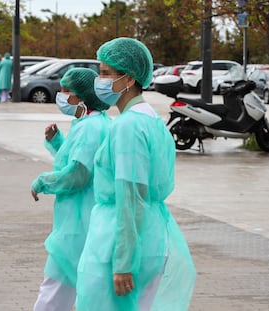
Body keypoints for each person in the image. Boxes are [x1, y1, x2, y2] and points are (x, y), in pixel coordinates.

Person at [76, 37, 196, 310]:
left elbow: (131, 197)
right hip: (150, 234)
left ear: (128, 79)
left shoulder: (129, 127)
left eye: (106, 73)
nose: (100, 79)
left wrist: (123, 263)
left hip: (124, 243)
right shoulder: (152, 121)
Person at [31, 68, 111, 311]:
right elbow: (78, 161)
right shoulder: (88, 122)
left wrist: (44, 182)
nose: (61, 95)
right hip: (80, 219)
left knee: (53, 292)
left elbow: (78, 175)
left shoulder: (90, 127)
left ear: (82, 96)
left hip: (79, 223)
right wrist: (58, 143)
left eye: (67, 91)